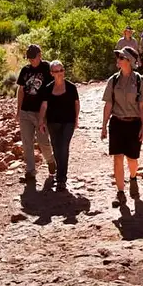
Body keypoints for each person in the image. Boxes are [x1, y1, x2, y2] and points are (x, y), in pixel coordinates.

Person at [101, 46, 143, 208]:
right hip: (117, 122)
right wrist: (103, 126)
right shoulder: (113, 80)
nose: (118, 60)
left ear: (129, 61)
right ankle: (120, 192)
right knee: (117, 158)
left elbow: (142, 106)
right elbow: (108, 104)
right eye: (118, 57)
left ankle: (133, 177)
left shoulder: (139, 81)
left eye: (121, 58)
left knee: (132, 159)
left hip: (134, 123)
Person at [38, 60, 79, 192]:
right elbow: (44, 105)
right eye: (57, 71)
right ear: (51, 73)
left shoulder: (71, 87)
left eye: (61, 70)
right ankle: (58, 173)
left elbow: (76, 103)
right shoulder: (48, 88)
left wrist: (76, 118)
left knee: (64, 147)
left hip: (68, 122)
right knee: (56, 147)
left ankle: (62, 178)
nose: (60, 73)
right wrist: (41, 121)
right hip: (53, 122)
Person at [16, 44, 55, 180]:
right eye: (29, 59)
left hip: (41, 112)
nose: (31, 61)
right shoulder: (25, 70)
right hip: (26, 111)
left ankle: (50, 160)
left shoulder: (47, 68)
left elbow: (56, 87)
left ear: (40, 55)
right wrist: (18, 110)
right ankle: (30, 171)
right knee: (27, 142)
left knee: (43, 141)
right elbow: (21, 91)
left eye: (34, 58)